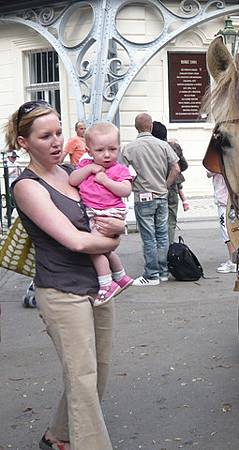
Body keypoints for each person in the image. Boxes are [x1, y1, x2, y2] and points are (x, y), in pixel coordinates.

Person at [6, 100, 125, 449]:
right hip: (61, 291)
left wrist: (117, 226)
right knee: (83, 377)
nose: (57, 141)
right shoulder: (26, 186)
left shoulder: (74, 170)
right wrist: (111, 237)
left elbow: (107, 215)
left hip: (97, 286)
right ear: (24, 143)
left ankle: (58, 436)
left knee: (97, 372)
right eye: (45, 136)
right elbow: (74, 240)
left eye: (59, 132)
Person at [69, 122, 134, 306]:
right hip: (93, 212)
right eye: (100, 150)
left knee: (94, 249)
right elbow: (73, 180)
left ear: (119, 148)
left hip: (109, 213)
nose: (107, 155)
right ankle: (120, 276)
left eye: (112, 149)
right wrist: (89, 170)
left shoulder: (119, 169)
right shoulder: (85, 165)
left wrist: (105, 180)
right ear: (89, 151)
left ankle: (106, 285)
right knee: (104, 250)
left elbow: (125, 190)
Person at [121, 113, 180, 285]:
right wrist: (165, 185)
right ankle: (163, 271)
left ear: (136, 127)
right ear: (151, 127)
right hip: (161, 195)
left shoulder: (129, 148)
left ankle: (151, 275)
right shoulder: (163, 145)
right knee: (162, 235)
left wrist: (131, 186)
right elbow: (176, 168)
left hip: (143, 197)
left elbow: (121, 172)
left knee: (148, 237)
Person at [149, 121, 190, 243]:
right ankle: (168, 248)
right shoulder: (173, 147)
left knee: (154, 220)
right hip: (171, 187)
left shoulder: (148, 148)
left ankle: (156, 249)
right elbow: (184, 165)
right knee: (170, 220)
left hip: (152, 187)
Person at [207, 170, 237, 273]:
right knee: (235, 229)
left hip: (223, 200)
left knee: (226, 230)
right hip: (233, 199)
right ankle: (236, 259)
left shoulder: (216, 161)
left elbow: (208, 173)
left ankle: (233, 261)